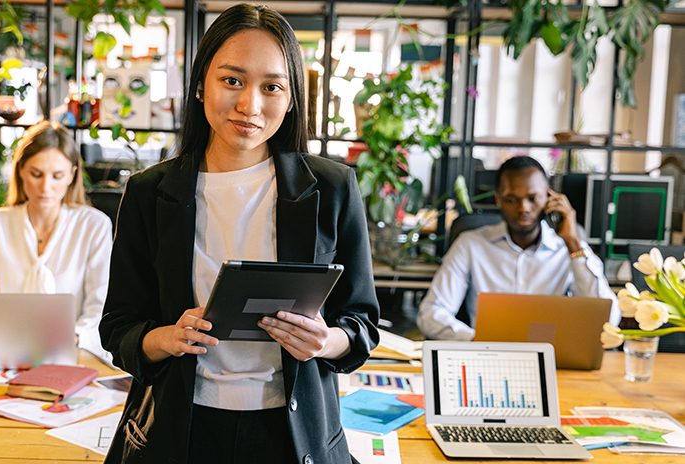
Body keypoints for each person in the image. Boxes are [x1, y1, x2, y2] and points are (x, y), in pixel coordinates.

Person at [99, 4, 379, 464]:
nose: (250, 105)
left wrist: (325, 341)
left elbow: (362, 322)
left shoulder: (331, 188)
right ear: (199, 85)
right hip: (181, 429)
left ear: (292, 100)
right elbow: (119, 328)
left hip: (292, 436)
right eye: (232, 80)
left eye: (272, 87)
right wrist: (166, 337)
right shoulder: (150, 192)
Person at [417, 155, 619, 340]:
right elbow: (431, 314)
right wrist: (477, 340)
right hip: (487, 358)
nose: (523, 208)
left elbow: (609, 321)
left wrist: (574, 243)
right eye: (512, 199)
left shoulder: (568, 249)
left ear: (548, 197)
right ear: (498, 199)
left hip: (553, 360)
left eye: (533, 198)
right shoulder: (470, 245)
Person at [0, 121, 113, 362]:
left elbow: (100, 306)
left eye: (57, 176)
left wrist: (72, 337)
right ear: (21, 171)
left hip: (73, 351)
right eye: (36, 174)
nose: (46, 187)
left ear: (72, 175)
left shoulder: (94, 226)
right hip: (4, 351)